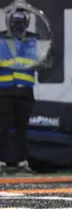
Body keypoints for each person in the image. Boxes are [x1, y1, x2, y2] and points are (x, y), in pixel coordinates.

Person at [0, 10, 39, 174]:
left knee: (23, 128)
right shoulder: (2, 40)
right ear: (9, 23)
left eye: (21, 22)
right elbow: (5, 61)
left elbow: (34, 61)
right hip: (5, 89)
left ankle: (22, 162)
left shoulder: (32, 40)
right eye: (15, 22)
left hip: (25, 90)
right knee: (2, 127)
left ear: (26, 24)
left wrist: (13, 62)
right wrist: (19, 61)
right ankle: (1, 162)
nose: (18, 26)